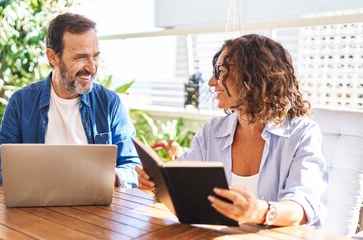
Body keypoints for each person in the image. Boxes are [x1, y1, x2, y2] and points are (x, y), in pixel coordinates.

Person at [136, 34, 328, 227]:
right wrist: (158, 185)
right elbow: (181, 184)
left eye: (220, 71)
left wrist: (261, 212)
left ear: (253, 75)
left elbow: (304, 207)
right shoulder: (212, 131)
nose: (211, 81)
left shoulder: (302, 133)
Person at [0, 13, 141, 188]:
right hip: (37, 209)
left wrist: (108, 178)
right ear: (52, 57)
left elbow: (132, 167)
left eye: (95, 56)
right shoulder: (21, 102)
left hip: (96, 210)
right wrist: (40, 178)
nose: (92, 67)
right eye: (81, 57)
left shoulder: (109, 103)